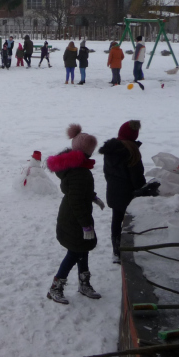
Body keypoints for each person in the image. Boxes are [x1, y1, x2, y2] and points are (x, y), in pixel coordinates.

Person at [46, 124, 103, 305]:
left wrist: (93, 197)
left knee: (82, 248)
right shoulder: (79, 171)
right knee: (75, 252)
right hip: (74, 218)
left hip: (74, 215)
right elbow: (76, 200)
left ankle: (84, 283)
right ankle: (56, 287)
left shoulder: (77, 167)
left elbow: (79, 192)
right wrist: (86, 224)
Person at [99, 120, 159, 264]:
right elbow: (137, 178)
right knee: (130, 223)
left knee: (116, 220)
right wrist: (145, 190)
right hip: (129, 195)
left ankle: (116, 252)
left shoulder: (110, 150)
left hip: (113, 192)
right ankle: (127, 250)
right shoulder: (132, 151)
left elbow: (107, 173)